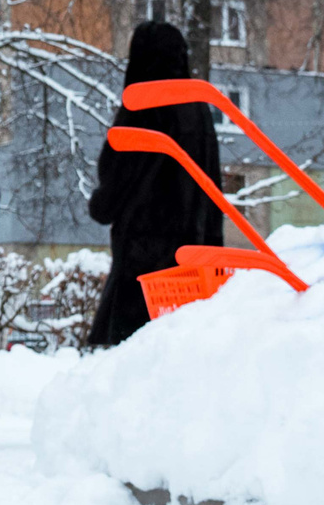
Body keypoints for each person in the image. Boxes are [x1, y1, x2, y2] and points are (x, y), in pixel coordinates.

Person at [85, 21, 226, 348]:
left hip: (143, 254)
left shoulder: (143, 104)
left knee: (131, 352)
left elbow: (118, 173)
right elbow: (213, 183)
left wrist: (101, 204)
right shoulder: (200, 108)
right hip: (194, 253)